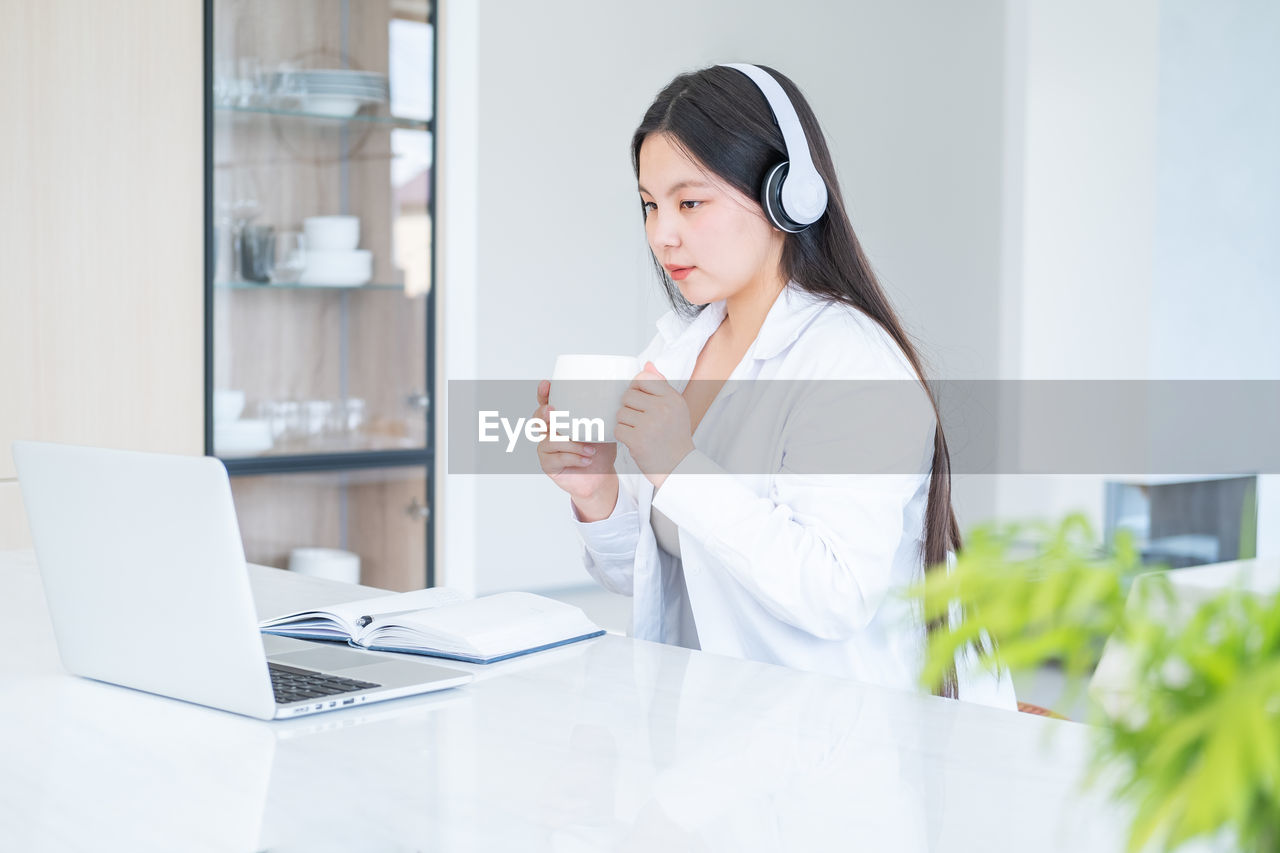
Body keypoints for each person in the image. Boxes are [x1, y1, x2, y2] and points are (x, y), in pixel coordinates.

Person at [533, 64, 1014, 708]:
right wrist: (597, 492)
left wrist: (679, 465)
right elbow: (651, 578)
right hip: (716, 739)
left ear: (788, 195)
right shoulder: (677, 352)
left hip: (844, 743)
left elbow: (834, 596)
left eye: (689, 202)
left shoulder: (852, 362)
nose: (661, 234)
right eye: (650, 205)